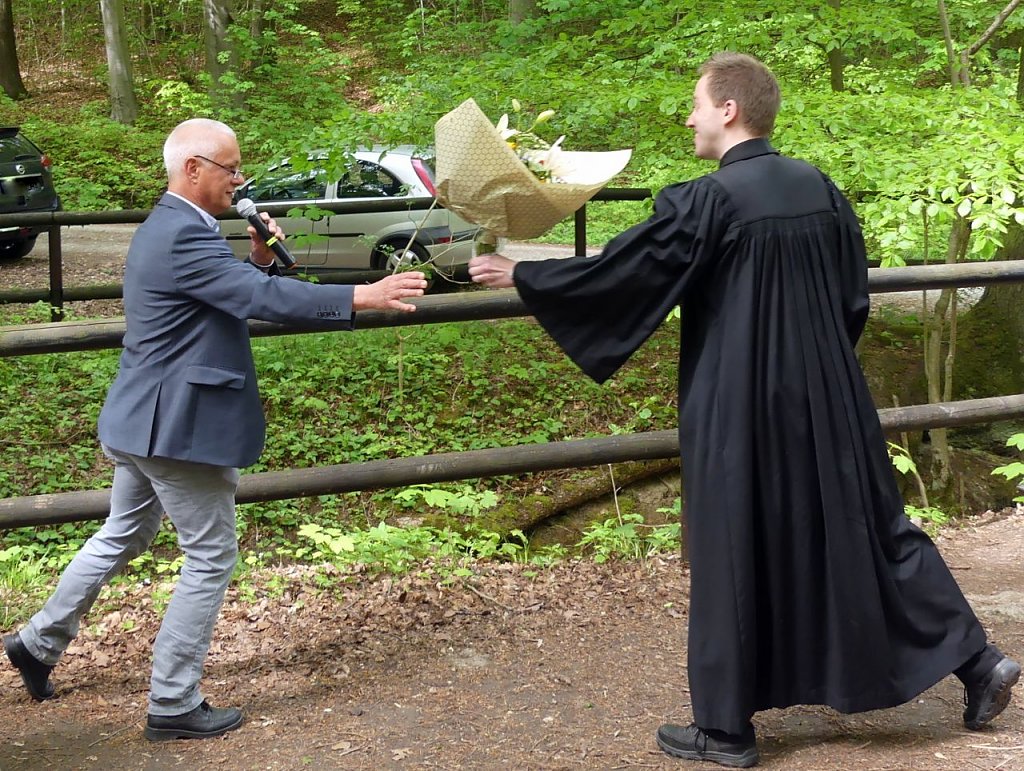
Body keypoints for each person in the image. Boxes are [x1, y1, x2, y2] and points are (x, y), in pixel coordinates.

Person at [468, 52, 1020, 768]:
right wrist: (817, 363)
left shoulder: (709, 201)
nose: (688, 118)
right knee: (873, 528)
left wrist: (525, 273)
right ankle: (979, 662)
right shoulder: (818, 187)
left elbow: (626, 272)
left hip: (740, 403)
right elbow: (852, 296)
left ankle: (726, 729)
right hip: (831, 394)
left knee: (733, 541)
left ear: (729, 110)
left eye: (696, 104)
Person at [3, 118, 427, 742]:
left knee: (124, 532)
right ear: (193, 168)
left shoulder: (177, 226)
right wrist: (362, 294)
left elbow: (232, 291)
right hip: (177, 426)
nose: (240, 180)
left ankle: (38, 642)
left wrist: (260, 259)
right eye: (231, 168)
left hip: (143, 416)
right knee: (210, 555)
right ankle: (173, 701)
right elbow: (257, 300)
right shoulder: (183, 234)